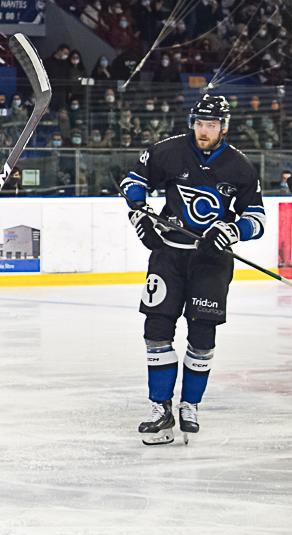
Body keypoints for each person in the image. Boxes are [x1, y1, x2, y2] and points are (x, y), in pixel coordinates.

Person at [120, 94, 265, 446]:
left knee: (202, 336)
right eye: (199, 123)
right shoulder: (168, 151)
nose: (203, 130)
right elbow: (132, 182)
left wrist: (232, 230)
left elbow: (256, 219)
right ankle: (160, 408)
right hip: (168, 256)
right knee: (156, 330)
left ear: (223, 127)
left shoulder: (240, 166)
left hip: (211, 261)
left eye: (211, 125)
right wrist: (139, 212)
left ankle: (190, 405)